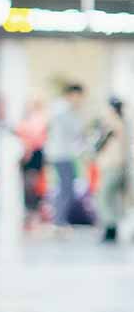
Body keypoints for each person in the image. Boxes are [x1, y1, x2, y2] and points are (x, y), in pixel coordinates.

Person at [46, 83, 89, 231]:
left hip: (64, 154)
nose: (80, 100)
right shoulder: (63, 109)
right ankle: (59, 221)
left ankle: (59, 220)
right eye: (78, 96)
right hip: (61, 155)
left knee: (66, 188)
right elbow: (76, 131)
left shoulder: (63, 109)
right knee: (66, 189)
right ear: (71, 95)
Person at [96, 96, 129, 242]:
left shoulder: (114, 123)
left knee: (105, 196)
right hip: (113, 165)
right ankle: (111, 226)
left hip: (114, 166)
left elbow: (99, 144)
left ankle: (111, 227)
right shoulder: (120, 123)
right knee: (111, 197)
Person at [15, 95, 49, 221]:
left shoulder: (38, 120)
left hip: (33, 153)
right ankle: (31, 208)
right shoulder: (30, 120)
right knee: (28, 183)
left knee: (32, 183)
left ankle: (33, 207)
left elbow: (35, 137)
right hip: (29, 153)